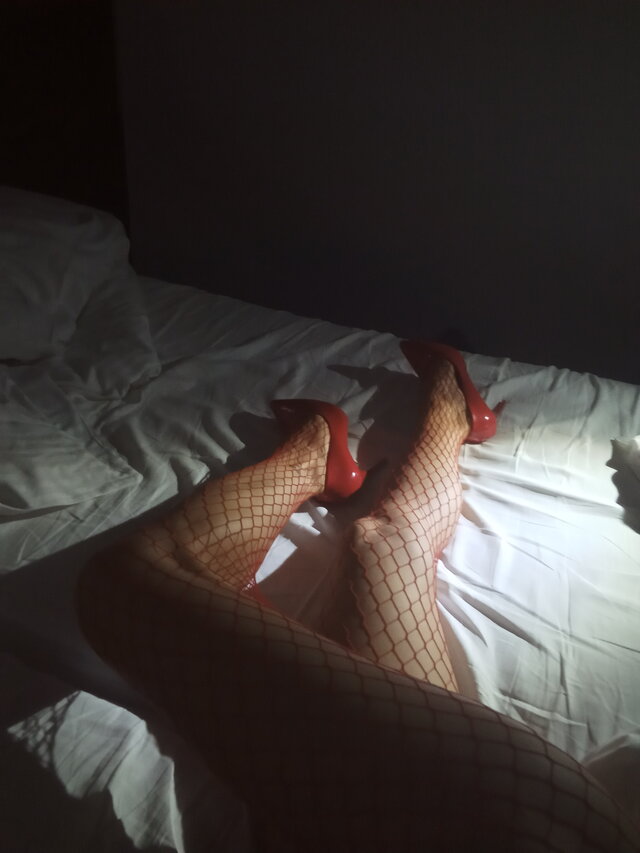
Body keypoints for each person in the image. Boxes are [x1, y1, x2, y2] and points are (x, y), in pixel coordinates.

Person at [76, 342, 639, 852]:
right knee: (378, 545)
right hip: (522, 826)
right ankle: (447, 416)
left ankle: (315, 459)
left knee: (133, 588)